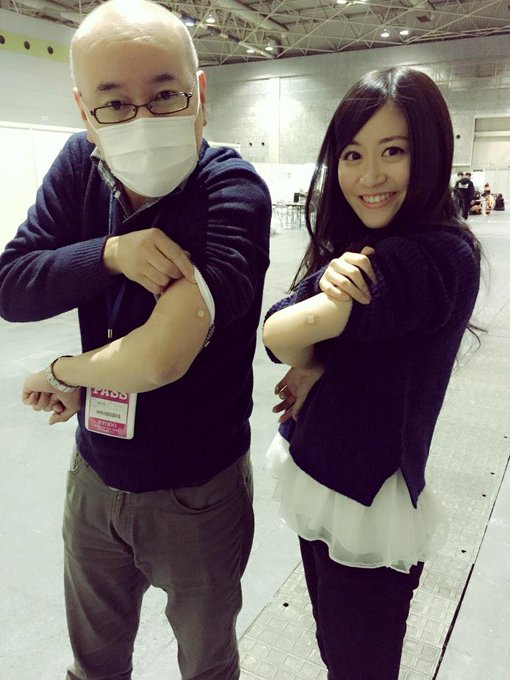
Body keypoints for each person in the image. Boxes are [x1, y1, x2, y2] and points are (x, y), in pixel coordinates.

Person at [0, 1, 271, 678]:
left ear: (199, 95)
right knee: (93, 664)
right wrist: (110, 254)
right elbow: (13, 285)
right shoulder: (81, 166)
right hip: (95, 473)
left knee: (206, 663)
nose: (142, 119)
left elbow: (160, 355)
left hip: (197, 491)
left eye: (165, 94)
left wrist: (64, 371)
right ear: (85, 112)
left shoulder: (231, 190)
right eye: (114, 103)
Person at [262, 66, 480, 680]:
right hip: (324, 473)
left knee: (360, 664)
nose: (369, 176)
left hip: (368, 499)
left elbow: (276, 334)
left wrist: (309, 346)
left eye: (394, 151)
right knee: (338, 649)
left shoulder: (431, 256)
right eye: (353, 155)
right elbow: (287, 329)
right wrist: (315, 355)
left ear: (430, 154)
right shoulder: (360, 244)